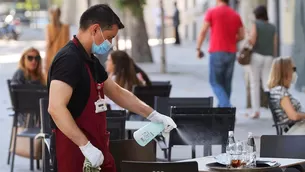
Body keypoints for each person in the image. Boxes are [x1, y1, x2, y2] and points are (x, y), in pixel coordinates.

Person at [47, 4, 177, 172]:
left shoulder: (91, 60)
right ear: (95, 30)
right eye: (109, 37)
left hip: (97, 146)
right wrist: (85, 146)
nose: (110, 44)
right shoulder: (68, 59)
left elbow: (117, 92)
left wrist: (153, 114)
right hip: (74, 151)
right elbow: (56, 108)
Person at [196, 0, 244, 107]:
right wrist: (231, 39)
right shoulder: (235, 14)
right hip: (231, 52)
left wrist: (198, 48)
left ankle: (226, 106)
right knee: (227, 83)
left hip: (217, 51)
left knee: (215, 82)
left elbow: (203, 31)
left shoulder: (212, 12)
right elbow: (242, 35)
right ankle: (223, 113)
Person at [247, 5, 277, 118]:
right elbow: (274, 44)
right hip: (269, 57)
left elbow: (253, 41)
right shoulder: (272, 27)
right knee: (267, 84)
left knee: (255, 83)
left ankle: (256, 111)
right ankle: (275, 110)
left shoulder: (256, 24)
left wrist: (249, 36)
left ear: (257, 15)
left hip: (257, 56)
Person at [268, 57, 305, 135]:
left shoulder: (278, 90)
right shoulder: (280, 91)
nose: (294, 72)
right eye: (293, 69)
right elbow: (293, 116)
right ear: (285, 71)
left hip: (298, 127)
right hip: (296, 129)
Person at [44, 6, 70, 76]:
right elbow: (68, 43)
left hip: (51, 55)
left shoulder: (49, 27)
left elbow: (48, 44)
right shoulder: (66, 27)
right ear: (60, 14)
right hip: (63, 56)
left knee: (51, 77)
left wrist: (46, 60)